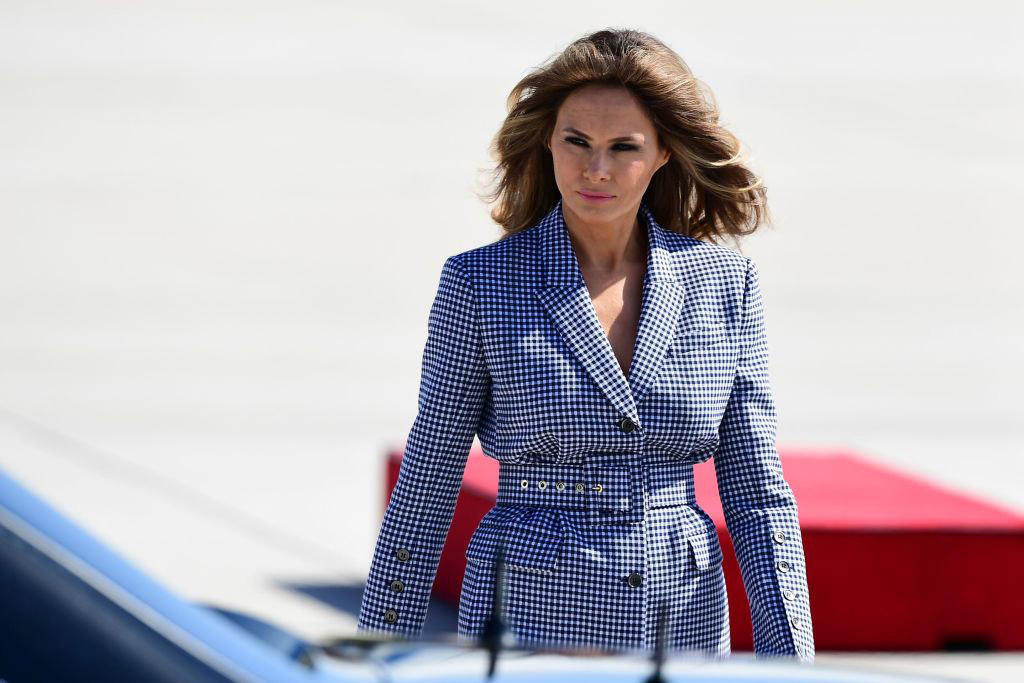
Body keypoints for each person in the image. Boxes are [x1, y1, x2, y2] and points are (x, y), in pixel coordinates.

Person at [356, 28, 814, 662]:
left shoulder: (725, 283)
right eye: (577, 142)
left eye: (623, 147)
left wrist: (791, 667)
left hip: (682, 625)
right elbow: (429, 480)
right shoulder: (480, 283)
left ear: (661, 155)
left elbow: (757, 491)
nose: (596, 168)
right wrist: (379, 655)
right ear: (549, 141)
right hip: (526, 626)